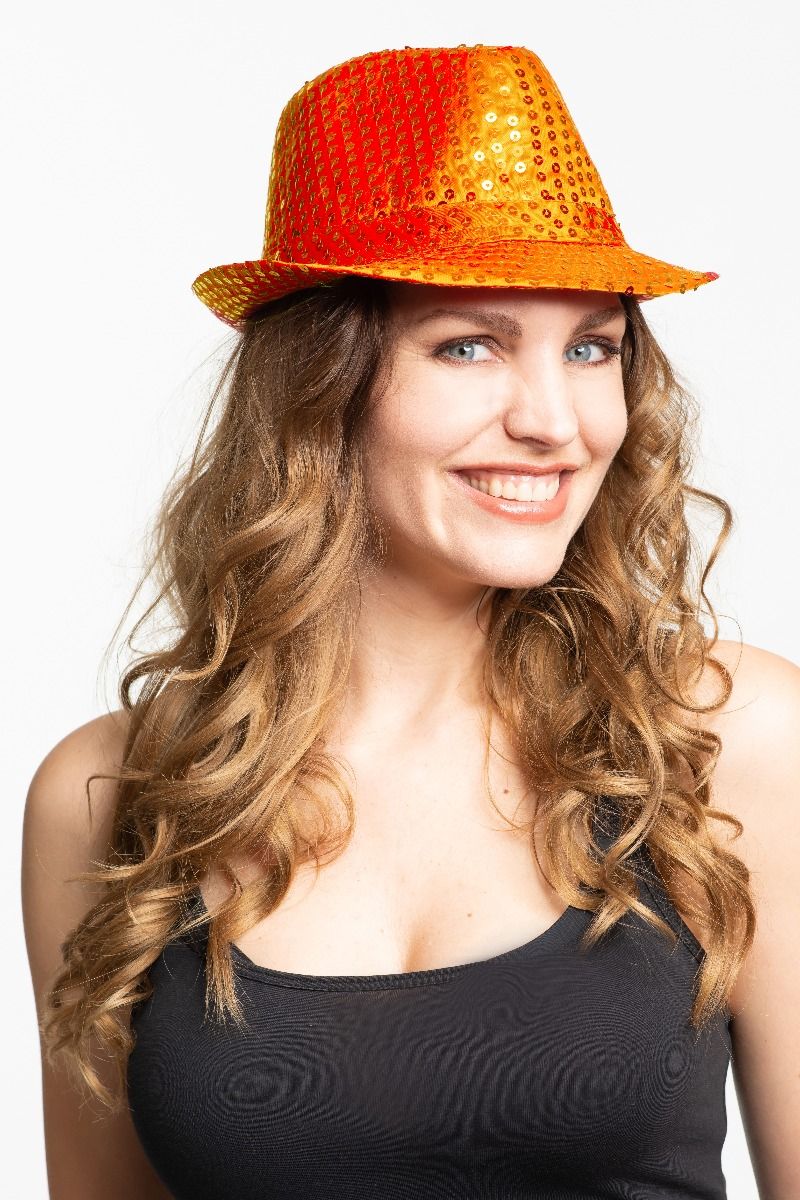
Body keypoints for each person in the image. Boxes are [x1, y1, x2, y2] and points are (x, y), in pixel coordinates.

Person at [21, 42, 798, 1200]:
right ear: (318, 387)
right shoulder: (107, 798)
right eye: (468, 344)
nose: (555, 422)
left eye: (590, 346)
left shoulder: (728, 741)